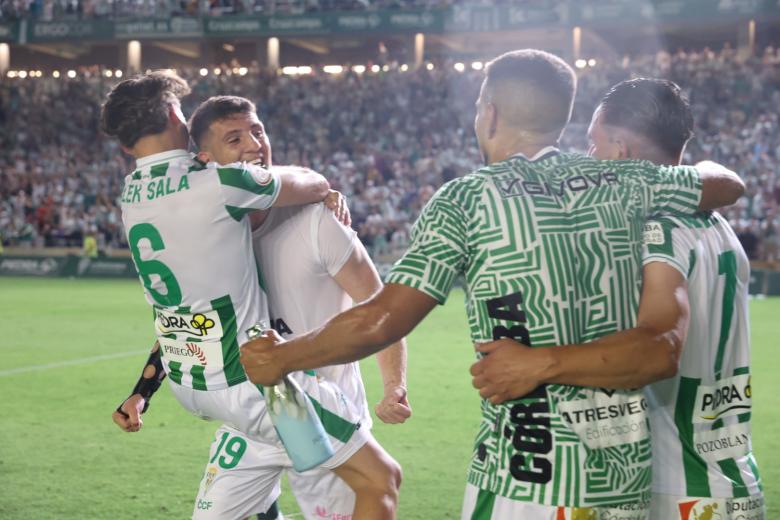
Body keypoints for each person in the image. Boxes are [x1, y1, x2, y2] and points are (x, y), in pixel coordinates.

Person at [239, 49, 745, 519]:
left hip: (527, 478)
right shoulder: (624, 181)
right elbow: (727, 185)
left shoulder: (468, 200)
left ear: (491, 113)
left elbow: (383, 318)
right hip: (623, 484)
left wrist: (283, 356)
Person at [102, 71, 400, 520]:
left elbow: (187, 306)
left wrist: (142, 391)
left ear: (125, 146)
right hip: (262, 388)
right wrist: (326, 189)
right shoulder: (222, 184)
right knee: (380, 479)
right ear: (172, 115)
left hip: (193, 385)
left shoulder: (131, 195)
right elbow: (312, 182)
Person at [470, 78, 765, 520]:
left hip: (674, 491)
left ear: (622, 151)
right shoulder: (719, 228)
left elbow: (660, 347)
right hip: (733, 480)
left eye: (595, 143)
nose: (591, 157)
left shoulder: (654, 230)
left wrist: (537, 362)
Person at [186, 95, 411, 520]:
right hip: (252, 419)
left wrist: (394, 386)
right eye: (234, 138)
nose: (254, 144)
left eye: (258, 131)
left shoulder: (317, 222)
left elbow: (381, 307)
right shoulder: (210, 238)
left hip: (328, 416)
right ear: (205, 160)